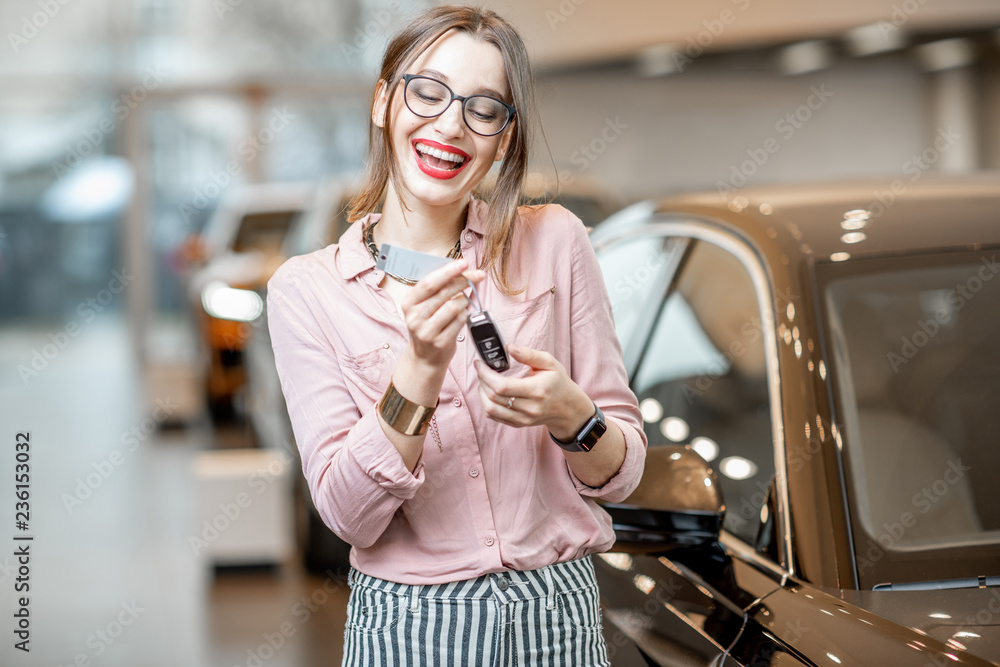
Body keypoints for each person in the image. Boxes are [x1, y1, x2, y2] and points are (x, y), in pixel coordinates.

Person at [267, 5, 646, 665]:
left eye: (483, 108)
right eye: (427, 91)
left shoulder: (555, 241)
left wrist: (572, 416)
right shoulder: (306, 290)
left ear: (503, 137)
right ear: (384, 102)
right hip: (409, 627)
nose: (450, 124)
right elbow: (350, 517)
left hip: (559, 615)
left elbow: (621, 472)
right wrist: (416, 370)